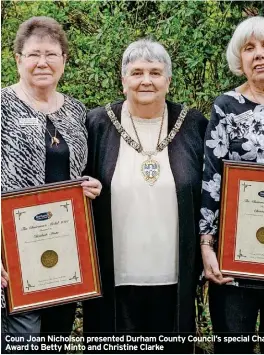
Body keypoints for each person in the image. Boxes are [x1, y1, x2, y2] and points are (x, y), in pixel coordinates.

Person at [83, 38, 208, 352]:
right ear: (123, 80)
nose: (146, 80)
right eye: (136, 72)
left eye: (155, 72)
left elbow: (214, 191)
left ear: (168, 79)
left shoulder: (193, 125)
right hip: (113, 277)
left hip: (174, 276)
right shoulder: (96, 124)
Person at [200, 16, 264, 354]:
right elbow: (212, 179)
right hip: (235, 262)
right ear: (239, 59)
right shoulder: (226, 107)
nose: (258, 54)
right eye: (249, 48)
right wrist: (206, 246)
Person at [1, 16, 102, 352]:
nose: (42, 62)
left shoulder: (76, 111)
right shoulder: (2, 107)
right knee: (23, 339)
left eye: (51, 54)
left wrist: (92, 186)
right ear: (17, 60)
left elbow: (80, 171)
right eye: (33, 54)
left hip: (65, 250)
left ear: (64, 60)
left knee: (57, 336)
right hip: (11, 249)